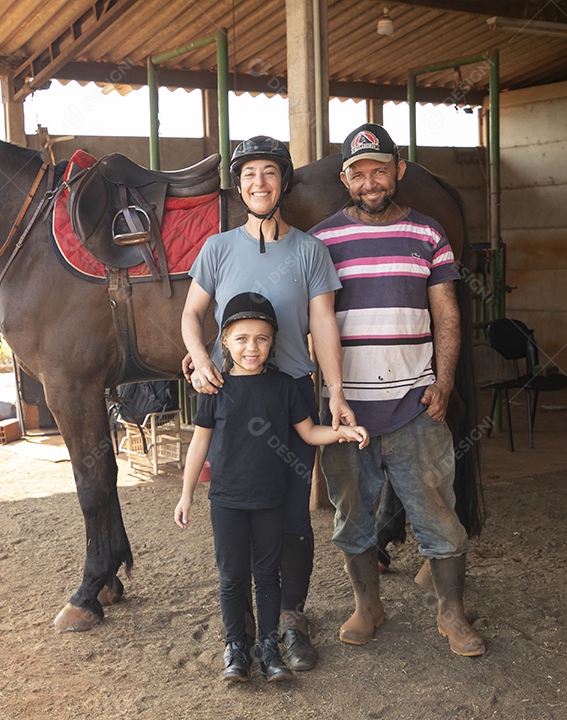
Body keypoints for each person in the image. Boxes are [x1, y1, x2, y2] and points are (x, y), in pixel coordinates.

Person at [310, 123, 486, 657]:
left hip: (415, 405)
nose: (370, 182)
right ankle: (368, 606)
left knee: (439, 514)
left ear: (399, 170)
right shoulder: (322, 241)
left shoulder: (428, 233)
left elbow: (446, 314)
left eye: (379, 171)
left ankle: (451, 613)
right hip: (348, 414)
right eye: (359, 173)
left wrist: (445, 380)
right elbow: (311, 321)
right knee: (352, 516)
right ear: (345, 180)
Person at [181, 136, 356, 671]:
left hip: (291, 394)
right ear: (239, 186)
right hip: (234, 394)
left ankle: (291, 621)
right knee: (238, 510)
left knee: (294, 518)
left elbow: (323, 324)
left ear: (283, 183)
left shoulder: (310, 250)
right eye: (250, 174)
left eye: (270, 173)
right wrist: (200, 359)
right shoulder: (217, 248)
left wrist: (336, 392)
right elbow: (191, 314)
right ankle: (243, 635)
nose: (260, 182)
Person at [175, 292, 368, 682]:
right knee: (232, 577)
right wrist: (186, 494)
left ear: (272, 343)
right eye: (242, 338)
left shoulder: (284, 387)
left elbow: (309, 433)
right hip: (227, 501)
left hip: (269, 500)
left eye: (261, 339)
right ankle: (236, 648)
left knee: (267, 576)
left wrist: (341, 433)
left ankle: (268, 648)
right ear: (225, 342)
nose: (252, 347)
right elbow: (199, 444)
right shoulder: (215, 389)